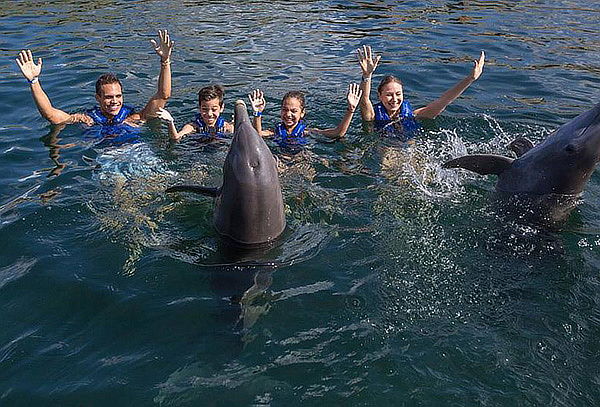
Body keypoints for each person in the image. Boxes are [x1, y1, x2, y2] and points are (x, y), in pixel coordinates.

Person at [15, 30, 173, 144]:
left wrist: (165, 61)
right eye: (109, 97)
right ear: (98, 98)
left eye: (118, 96)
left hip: (138, 153)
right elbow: (50, 115)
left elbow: (163, 95)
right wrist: (34, 81)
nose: (115, 101)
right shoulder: (88, 119)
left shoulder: (134, 117)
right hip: (109, 160)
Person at [357, 45, 485, 140]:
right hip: (386, 151)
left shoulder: (413, 115)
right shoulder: (372, 116)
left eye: (398, 94)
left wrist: (470, 79)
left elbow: (444, 101)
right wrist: (367, 75)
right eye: (389, 95)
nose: (394, 99)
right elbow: (364, 99)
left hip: (412, 152)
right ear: (380, 95)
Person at [247, 84, 362, 155]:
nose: (288, 114)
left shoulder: (307, 132)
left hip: (301, 160)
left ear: (302, 113)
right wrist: (257, 113)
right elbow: (257, 136)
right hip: (280, 159)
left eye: (294, 111)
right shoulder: (274, 131)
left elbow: (338, 133)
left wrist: (350, 110)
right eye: (284, 109)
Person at [156, 84, 234, 142]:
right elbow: (176, 138)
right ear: (199, 108)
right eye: (204, 109)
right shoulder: (193, 127)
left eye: (214, 109)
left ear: (221, 108)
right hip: (198, 151)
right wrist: (170, 122)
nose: (209, 114)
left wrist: (239, 124)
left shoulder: (227, 127)